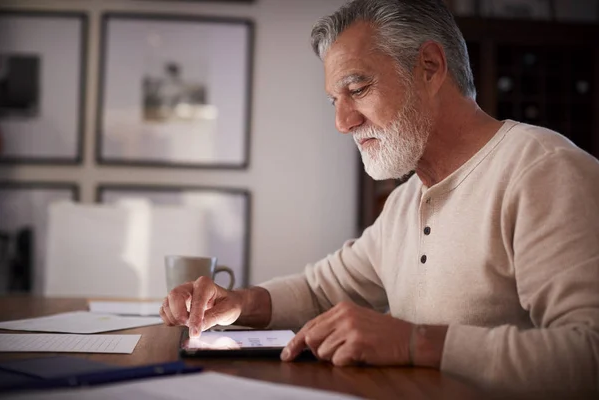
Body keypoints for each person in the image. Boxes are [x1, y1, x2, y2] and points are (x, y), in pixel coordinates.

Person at [160, 0, 599, 396]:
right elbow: (320, 290)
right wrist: (236, 304)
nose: (342, 122)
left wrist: (412, 341)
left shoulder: (543, 170)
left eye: (358, 88)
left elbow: (589, 356)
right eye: (335, 99)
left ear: (429, 67)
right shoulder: (407, 200)